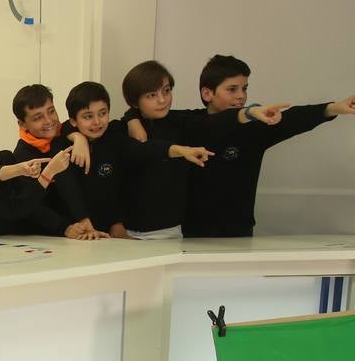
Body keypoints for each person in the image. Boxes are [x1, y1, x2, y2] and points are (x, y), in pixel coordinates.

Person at [174, 54, 355, 237]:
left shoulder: (255, 128)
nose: (241, 96)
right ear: (207, 93)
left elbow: (294, 118)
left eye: (245, 88)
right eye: (232, 89)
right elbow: (152, 114)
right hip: (191, 232)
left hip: (239, 231)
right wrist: (139, 123)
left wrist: (334, 108)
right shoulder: (189, 123)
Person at [117, 59, 287, 238]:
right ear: (135, 101)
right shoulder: (121, 129)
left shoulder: (181, 122)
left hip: (172, 231)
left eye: (166, 91)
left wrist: (249, 112)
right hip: (127, 231)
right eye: (152, 95)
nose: (162, 100)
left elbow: (215, 122)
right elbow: (137, 152)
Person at [59, 81, 213, 237]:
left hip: (106, 233)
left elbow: (144, 149)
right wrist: (77, 137)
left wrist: (182, 150)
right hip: (72, 232)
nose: (97, 122)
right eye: (88, 116)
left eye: (103, 113)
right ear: (73, 121)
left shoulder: (113, 136)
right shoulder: (62, 145)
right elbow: (69, 189)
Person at [0, 121, 99, 239]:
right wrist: (46, 173)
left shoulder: (5, 157)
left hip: (25, 235)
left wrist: (64, 227)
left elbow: (30, 202)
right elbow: (15, 207)